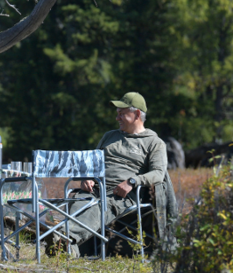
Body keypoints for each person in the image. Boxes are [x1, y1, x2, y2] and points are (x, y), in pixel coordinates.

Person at [49, 92, 172, 257]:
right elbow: (91, 163)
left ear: (136, 114)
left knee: (99, 207)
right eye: (117, 114)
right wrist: (87, 177)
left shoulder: (154, 142)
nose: (117, 118)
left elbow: (158, 173)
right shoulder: (109, 136)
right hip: (97, 189)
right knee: (81, 200)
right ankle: (68, 248)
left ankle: (64, 238)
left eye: (121, 114)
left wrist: (133, 181)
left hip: (123, 194)